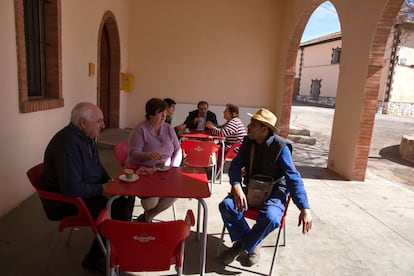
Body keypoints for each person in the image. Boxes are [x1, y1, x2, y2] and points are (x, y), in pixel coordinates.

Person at [41, 102, 135, 274]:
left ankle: (113, 244)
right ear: (83, 122)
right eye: (99, 121)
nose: (103, 125)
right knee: (118, 206)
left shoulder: (86, 136)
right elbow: (70, 188)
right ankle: (98, 257)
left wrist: (110, 182)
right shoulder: (68, 143)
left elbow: (97, 166)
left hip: (84, 192)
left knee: (127, 195)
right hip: (65, 203)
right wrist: (102, 190)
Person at [218, 108, 313, 267]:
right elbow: (235, 166)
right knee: (226, 206)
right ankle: (253, 242)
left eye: (253, 124)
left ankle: (242, 245)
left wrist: (304, 208)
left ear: (265, 129)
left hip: (275, 192)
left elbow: (293, 178)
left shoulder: (281, 147)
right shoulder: (248, 142)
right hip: (252, 189)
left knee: (271, 217)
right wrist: (236, 185)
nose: (248, 126)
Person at [127, 98, 182, 222]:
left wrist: (173, 168)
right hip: (145, 172)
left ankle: (148, 217)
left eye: (165, 113)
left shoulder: (168, 128)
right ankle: (148, 214)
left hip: (166, 172)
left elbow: (178, 150)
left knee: (176, 193)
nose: (164, 116)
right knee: (150, 203)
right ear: (151, 114)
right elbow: (132, 153)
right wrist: (148, 155)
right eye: (160, 113)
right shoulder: (140, 130)